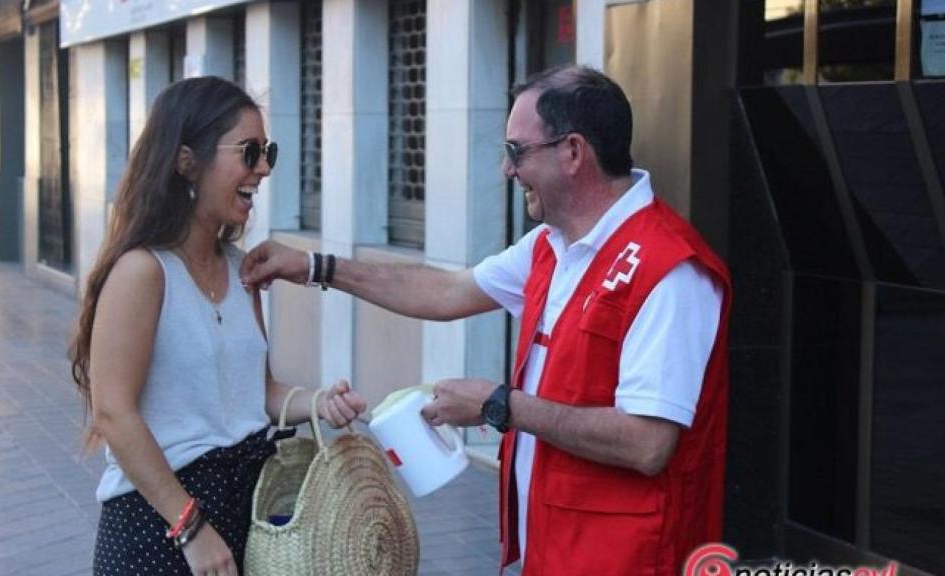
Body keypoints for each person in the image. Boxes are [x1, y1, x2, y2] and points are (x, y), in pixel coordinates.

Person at [239, 65, 731, 575]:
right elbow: (447, 291)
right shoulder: (552, 246)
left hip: (632, 559)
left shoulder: (669, 271)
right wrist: (316, 267)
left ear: (573, 152)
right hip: (561, 550)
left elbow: (647, 442)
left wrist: (499, 405)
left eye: (517, 151)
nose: (506, 169)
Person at [69, 76, 366, 576]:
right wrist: (189, 526)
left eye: (268, 152)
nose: (263, 169)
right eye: (249, 152)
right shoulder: (143, 271)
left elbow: (257, 392)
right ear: (187, 161)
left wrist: (319, 402)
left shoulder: (240, 269)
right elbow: (114, 412)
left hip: (241, 511)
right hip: (160, 522)